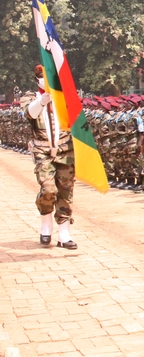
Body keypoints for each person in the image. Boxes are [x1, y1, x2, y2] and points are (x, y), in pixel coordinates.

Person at [20, 65, 77, 249]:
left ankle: (64, 234)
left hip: (65, 150)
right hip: (43, 151)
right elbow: (30, 113)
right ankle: (46, 225)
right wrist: (43, 100)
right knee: (48, 190)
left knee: (65, 191)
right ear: (37, 79)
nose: (44, 80)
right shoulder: (31, 97)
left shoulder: (64, 96)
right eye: (40, 77)